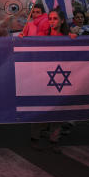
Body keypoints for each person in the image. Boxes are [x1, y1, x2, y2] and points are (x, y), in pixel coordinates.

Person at [28, 9, 77, 152]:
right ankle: (35, 138)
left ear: (62, 20)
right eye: (50, 18)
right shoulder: (43, 35)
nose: (52, 21)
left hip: (61, 76)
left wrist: (75, 40)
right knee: (41, 108)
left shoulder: (68, 36)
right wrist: (22, 38)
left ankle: (54, 140)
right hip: (43, 75)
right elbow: (31, 46)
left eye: (55, 18)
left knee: (58, 110)